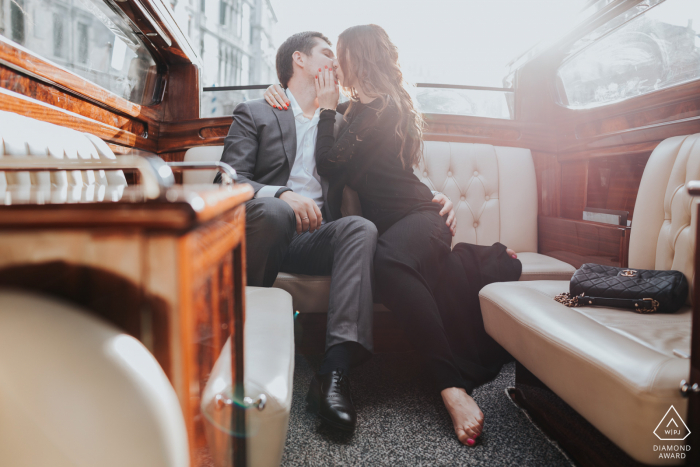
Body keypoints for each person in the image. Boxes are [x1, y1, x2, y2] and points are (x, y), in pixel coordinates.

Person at [264, 24, 520, 446]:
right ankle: (478, 259)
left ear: (355, 59)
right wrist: (279, 89)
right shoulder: (357, 108)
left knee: (384, 261)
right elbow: (305, 111)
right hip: (399, 225)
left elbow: (330, 162)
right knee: (387, 259)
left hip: (421, 216)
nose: (334, 64)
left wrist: (329, 110)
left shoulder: (382, 107)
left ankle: (450, 386)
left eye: (339, 55)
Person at [217, 31, 456, 432]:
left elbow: (386, 169)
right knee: (275, 213)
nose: (336, 63)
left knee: (360, 227)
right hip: (269, 229)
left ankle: (335, 373)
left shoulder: (345, 119)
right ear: (299, 61)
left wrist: (432, 194)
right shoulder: (257, 110)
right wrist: (282, 194)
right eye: (327, 54)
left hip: (317, 237)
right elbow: (226, 181)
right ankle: (241, 344)